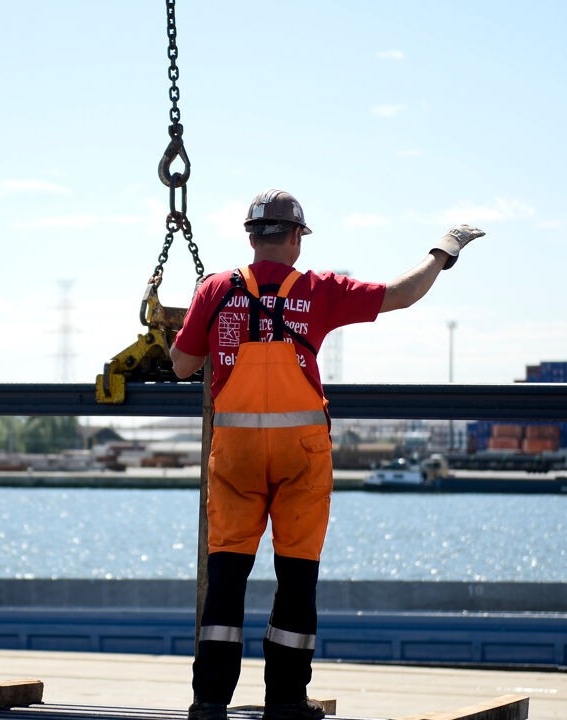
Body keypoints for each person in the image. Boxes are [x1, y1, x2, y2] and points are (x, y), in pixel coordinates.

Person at [169, 189, 484, 720]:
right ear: (295, 238)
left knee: (226, 577)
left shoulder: (215, 290)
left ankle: (208, 701)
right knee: (296, 578)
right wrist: (444, 250)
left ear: (251, 237)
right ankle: (286, 701)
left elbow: (180, 365)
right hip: (300, 457)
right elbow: (401, 294)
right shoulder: (318, 291)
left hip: (237, 457)